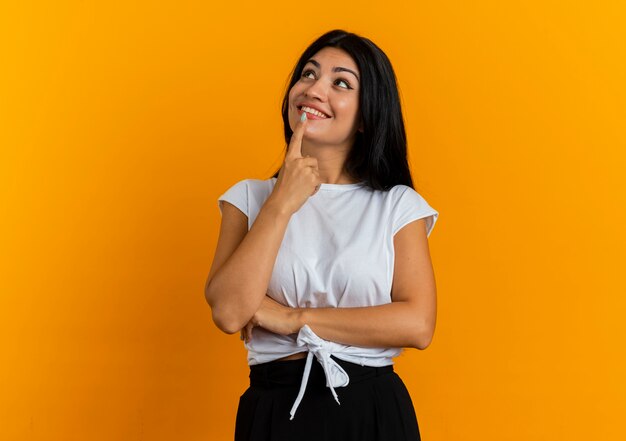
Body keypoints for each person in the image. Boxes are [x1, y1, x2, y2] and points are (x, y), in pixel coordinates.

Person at [205, 29, 439, 441]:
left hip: (372, 412)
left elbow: (417, 323)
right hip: (275, 411)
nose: (315, 89)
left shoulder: (396, 205)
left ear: (367, 116)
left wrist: (291, 317)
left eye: (341, 82)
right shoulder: (248, 198)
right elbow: (228, 311)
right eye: (308, 74)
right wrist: (282, 201)